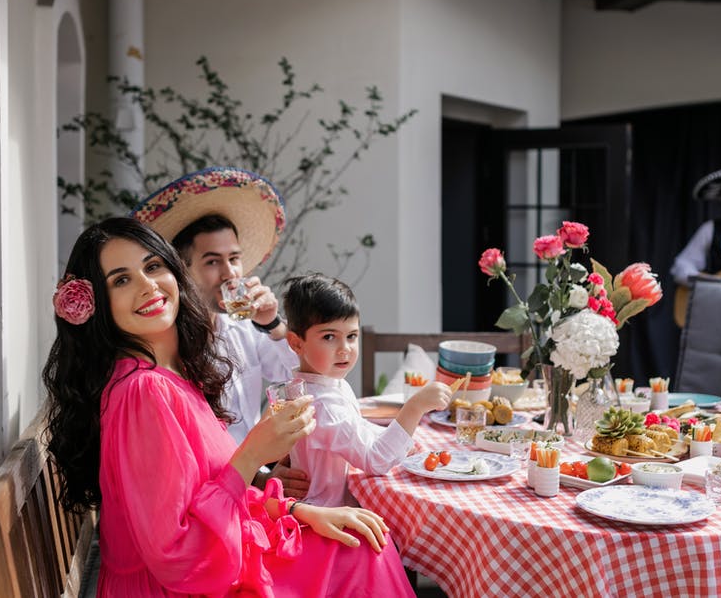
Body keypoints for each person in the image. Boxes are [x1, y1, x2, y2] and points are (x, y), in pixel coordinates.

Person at [42, 217, 415, 597]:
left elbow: (208, 491)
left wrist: (298, 512)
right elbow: (177, 554)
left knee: (360, 539)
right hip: (182, 584)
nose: (148, 285)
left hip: (216, 556)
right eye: (122, 280)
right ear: (100, 304)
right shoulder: (143, 391)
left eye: (153, 266)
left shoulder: (174, 373)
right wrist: (254, 452)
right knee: (366, 551)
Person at [132, 167, 305, 493]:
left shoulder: (243, 326)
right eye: (212, 262)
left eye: (234, 259)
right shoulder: (168, 348)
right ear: (179, 271)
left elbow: (298, 374)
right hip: (222, 494)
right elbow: (192, 460)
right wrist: (262, 479)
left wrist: (272, 322)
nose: (230, 274)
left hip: (258, 478)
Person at [282, 274, 452, 507]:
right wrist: (415, 406)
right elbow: (377, 461)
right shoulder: (322, 405)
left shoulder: (324, 385)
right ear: (296, 343)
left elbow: (356, 426)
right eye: (329, 337)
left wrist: (399, 438)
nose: (345, 349)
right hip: (328, 517)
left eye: (351, 336)